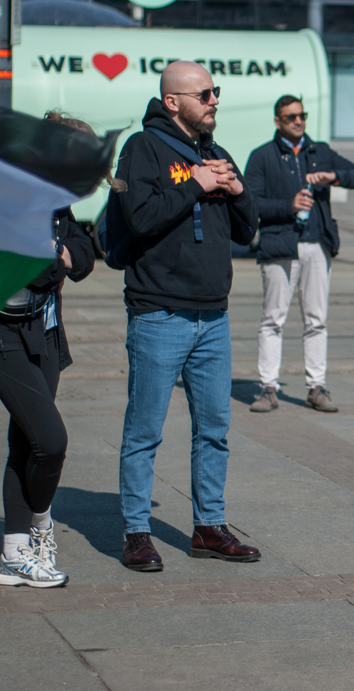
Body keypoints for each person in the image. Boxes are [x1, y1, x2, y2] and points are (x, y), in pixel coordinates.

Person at [115, 61, 261, 572]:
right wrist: (196, 185)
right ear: (173, 101)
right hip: (159, 313)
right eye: (204, 93)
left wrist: (238, 192)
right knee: (145, 430)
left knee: (215, 428)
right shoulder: (143, 148)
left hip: (213, 317)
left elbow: (247, 233)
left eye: (215, 91)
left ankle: (209, 526)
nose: (214, 100)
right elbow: (141, 217)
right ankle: (136, 532)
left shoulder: (216, 152)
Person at [0, 112, 96, 588]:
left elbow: (81, 252)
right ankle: (39, 525)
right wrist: (54, 259)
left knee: (26, 442)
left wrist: (62, 254)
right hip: (6, 332)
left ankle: (15, 553)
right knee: (50, 440)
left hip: (45, 329)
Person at [245, 95, 354, 415]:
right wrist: (289, 206)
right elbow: (250, 204)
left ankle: (317, 387)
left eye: (301, 115)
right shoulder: (262, 157)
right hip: (279, 247)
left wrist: (333, 177)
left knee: (316, 320)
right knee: (273, 319)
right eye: (290, 117)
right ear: (278, 121)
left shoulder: (320, 152)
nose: (298, 121)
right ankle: (268, 388)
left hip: (316, 244)